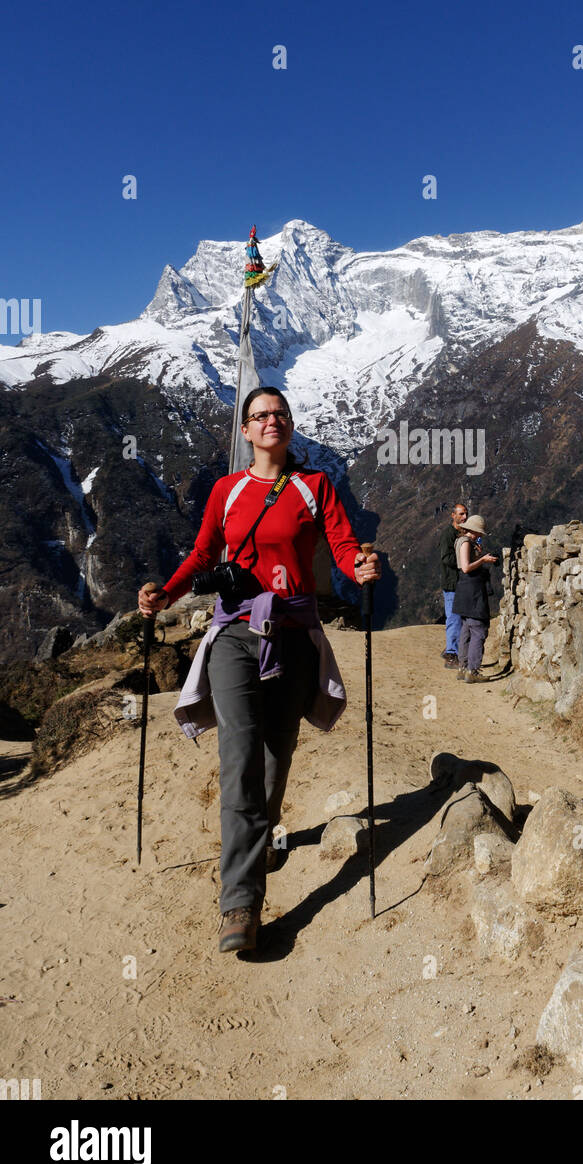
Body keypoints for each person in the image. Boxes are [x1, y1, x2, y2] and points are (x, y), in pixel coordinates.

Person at [138, 386, 381, 954]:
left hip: (294, 634)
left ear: (290, 425)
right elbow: (203, 555)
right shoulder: (226, 490)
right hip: (234, 636)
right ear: (245, 431)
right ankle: (241, 901)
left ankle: (262, 833)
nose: (272, 421)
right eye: (260, 415)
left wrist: (360, 567)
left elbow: (343, 546)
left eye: (280, 413)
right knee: (240, 757)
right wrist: (165, 594)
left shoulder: (315, 486)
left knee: (276, 759)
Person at [452, 515, 497, 683]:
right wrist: (483, 559)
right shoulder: (465, 543)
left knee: (466, 630)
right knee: (478, 630)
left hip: (464, 590)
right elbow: (465, 567)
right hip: (472, 591)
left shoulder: (463, 542)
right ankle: (472, 670)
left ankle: (463, 667)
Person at [439, 502, 468, 667]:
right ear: (453, 515)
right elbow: (446, 558)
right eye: (461, 514)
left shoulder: (460, 533)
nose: (464, 517)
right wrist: (464, 560)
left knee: (459, 618)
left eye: (465, 514)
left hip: (459, 583)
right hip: (451, 583)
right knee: (454, 618)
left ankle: (452, 649)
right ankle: (451, 654)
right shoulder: (448, 535)